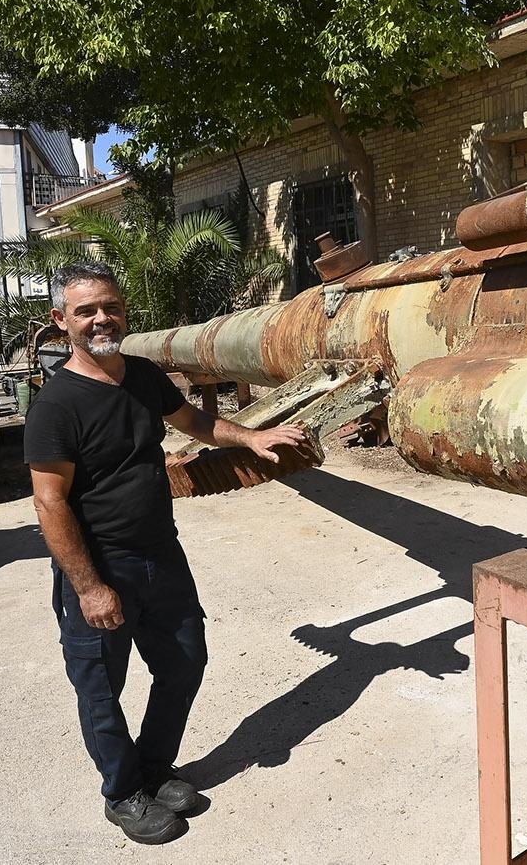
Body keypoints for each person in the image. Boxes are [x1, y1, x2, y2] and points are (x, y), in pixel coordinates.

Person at [24, 260, 315, 844]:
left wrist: (252, 436)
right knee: (101, 686)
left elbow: (195, 422)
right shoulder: (56, 406)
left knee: (184, 661)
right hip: (103, 564)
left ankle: (154, 771)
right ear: (61, 322)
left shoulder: (142, 374)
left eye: (110, 306)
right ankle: (123, 792)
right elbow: (50, 503)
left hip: (162, 553)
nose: (101, 318)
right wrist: (88, 586)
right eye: (86, 311)